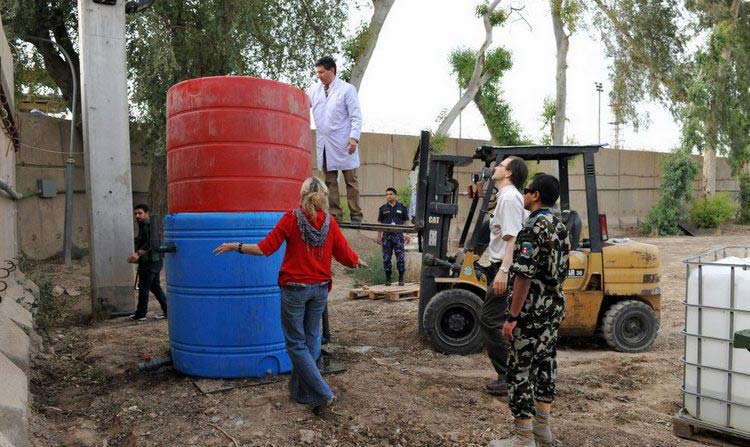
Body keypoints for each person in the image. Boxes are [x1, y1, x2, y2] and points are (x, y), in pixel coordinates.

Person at [213, 177, 368, 416]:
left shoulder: (291, 218)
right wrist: (357, 260)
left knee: (296, 344)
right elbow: (344, 254)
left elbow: (264, 248)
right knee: (311, 340)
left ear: (302, 194)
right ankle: (300, 392)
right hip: (319, 290)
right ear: (324, 197)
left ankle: (322, 392)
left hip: (295, 290)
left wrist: (236, 245)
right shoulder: (329, 223)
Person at [490, 174, 570, 447]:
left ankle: (523, 437)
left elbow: (523, 277)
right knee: (546, 365)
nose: (523, 195)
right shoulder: (560, 225)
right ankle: (542, 431)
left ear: (536, 196)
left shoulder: (531, 229)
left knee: (520, 371)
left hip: (532, 312)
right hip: (553, 307)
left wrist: (512, 317)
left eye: (526, 190)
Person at [480, 156, 528, 396]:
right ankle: (512, 373)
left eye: (500, 165)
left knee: (489, 319)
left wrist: (504, 271)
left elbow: (512, 237)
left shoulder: (509, 198)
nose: (495, 167)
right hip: (500, 264)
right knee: (497, 320)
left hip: (505, 266)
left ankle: (508, 376)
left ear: (508, 173)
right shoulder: (505, 198)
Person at [307, 56, 363, 223]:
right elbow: (301, 104)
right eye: (317, 73)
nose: (319, 75)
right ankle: (335, 216)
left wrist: (354, 138)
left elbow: (356, 116)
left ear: (332, 70)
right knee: (329, 181)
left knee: (351, 181)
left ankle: (356, 217)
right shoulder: (313, 90)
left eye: (322, 72)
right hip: (324, 143)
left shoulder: (347, 89)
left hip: (344, 141)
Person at [127, 204, 168, 321]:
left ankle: (140, 314)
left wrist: (138, 254)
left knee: (144, 287)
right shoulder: (146, 224)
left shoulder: (147, 225)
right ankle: (167, 311)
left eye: (140, 213)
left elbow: (150, 243)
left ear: (147, 213)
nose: (137, 216)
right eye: (135, 214)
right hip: (155, 261)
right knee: (155, 287)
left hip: (150, 262)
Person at [376, 187, 411, 286]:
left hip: (398, 236)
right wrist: (378, 236)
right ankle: (388, 279)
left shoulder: (402, 208)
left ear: (395, 195)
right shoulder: (383, 209)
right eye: (387, 194)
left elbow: (406, 222)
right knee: (386, 258)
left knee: (400, 257)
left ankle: (401, 278)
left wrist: (407, 234)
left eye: (390, 194)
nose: (388, 196)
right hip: (387, 236)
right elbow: (379, 223)